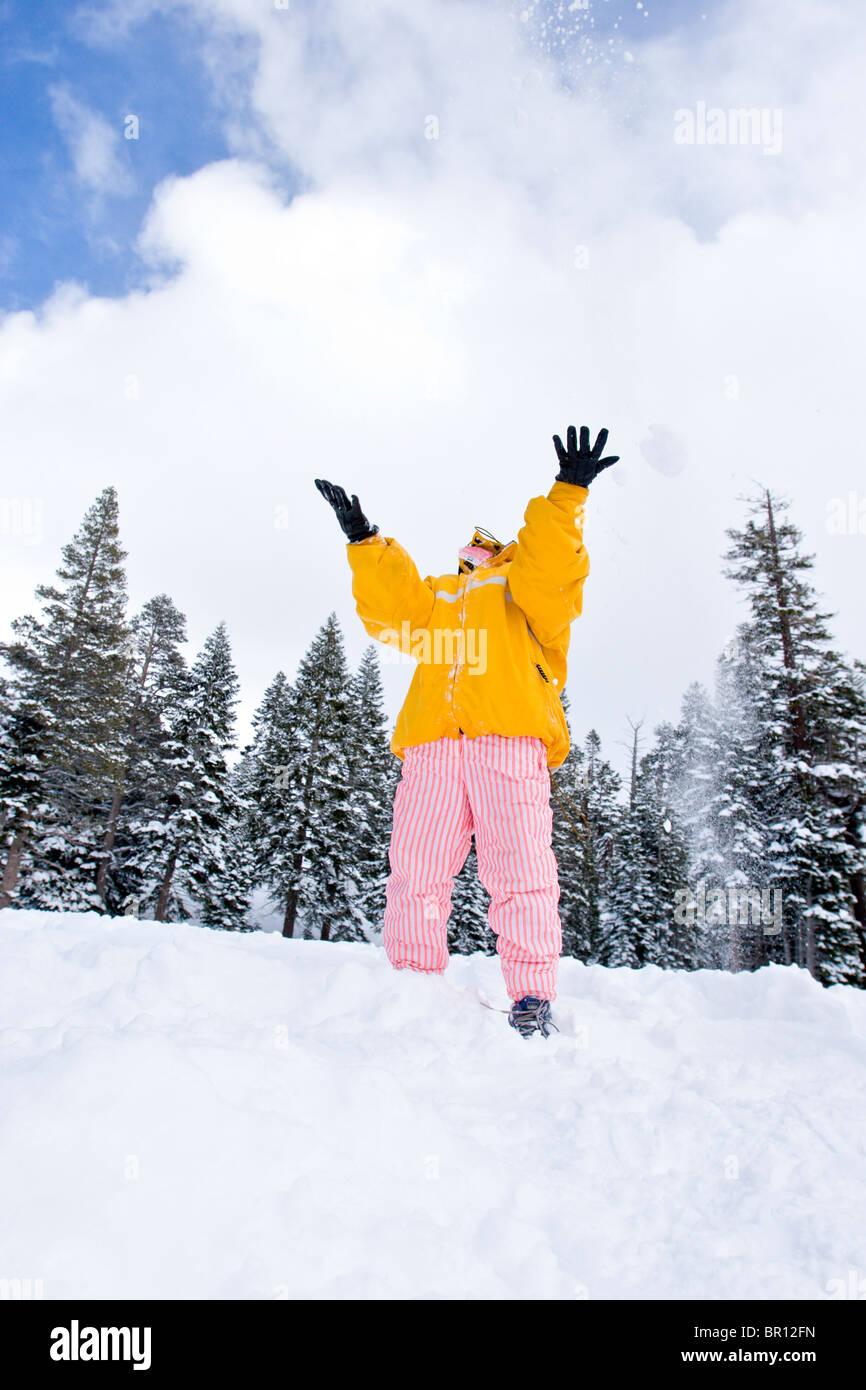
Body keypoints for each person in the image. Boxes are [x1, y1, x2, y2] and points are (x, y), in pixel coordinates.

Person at [315, 424, 618, 1037]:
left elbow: (555, 572)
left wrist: (566, 495)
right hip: (431, 746)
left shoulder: (526, 594)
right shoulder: (439, 600)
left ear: (503, 554)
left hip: (507, 737)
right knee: (416, 870)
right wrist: (366, 541)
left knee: (521, 870)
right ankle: (412, 982)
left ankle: (531, 994)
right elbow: (391, 613)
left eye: (487, 549)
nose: (474, 555)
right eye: (469, 550)